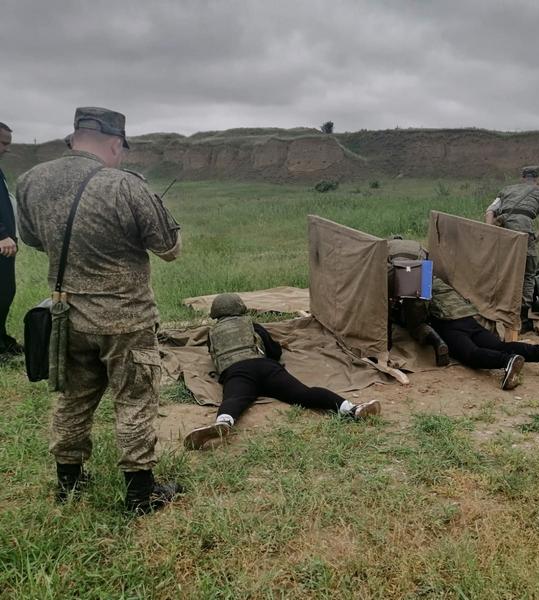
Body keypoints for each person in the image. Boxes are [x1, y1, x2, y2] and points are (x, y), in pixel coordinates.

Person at [16, 107, 183, 514]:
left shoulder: (29, 181)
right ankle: (141, 495)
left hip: (64, 313)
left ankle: (68, 484)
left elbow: (35, 240)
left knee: (73, 398)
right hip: (124, 318)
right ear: (114, 144)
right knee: (135, 398)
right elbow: (170, 250)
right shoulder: (125, 185)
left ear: (73, 139)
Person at [184, 293, 381, 450]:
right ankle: (353, 409)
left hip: (237, 372)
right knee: (304, 393)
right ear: (240, 308)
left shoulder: (212, 333)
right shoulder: (252, 325)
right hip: (266, 368)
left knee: (234, 400)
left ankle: (224, 423)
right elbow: (274, 351)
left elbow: (216, 358)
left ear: (215, 314)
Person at [428, 278, 539, 389]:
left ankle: (507, 361)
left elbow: (417, 316)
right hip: (469, 318)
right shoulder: (438, 280)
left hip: (449, 323)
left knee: (471, 354)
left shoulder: (420, 284)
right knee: (500, 345)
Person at [485, 165, 539, 333]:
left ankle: (495, 313)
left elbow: (490, 212)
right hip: (525, 235)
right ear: (538, 179)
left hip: (502, 234)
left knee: (500, 272)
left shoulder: (507, 190)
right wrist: (535, 239)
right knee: (528, 275)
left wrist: (490, 232)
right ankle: (523, 319)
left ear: (523, 178)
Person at [387, 236, 449, 366]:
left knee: (382, 309)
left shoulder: (386, 245)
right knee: (417, 322)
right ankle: (439, 343)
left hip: (394, 271)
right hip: (421, 271)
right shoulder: (417, 244)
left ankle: (386, 345)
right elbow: (428, 267)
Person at [0, 122, 23, 358]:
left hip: (5, 246)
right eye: (4, 142)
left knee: (5, 292)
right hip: (1, 243)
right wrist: (2, 234)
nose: (7, 148)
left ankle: (2, 340)